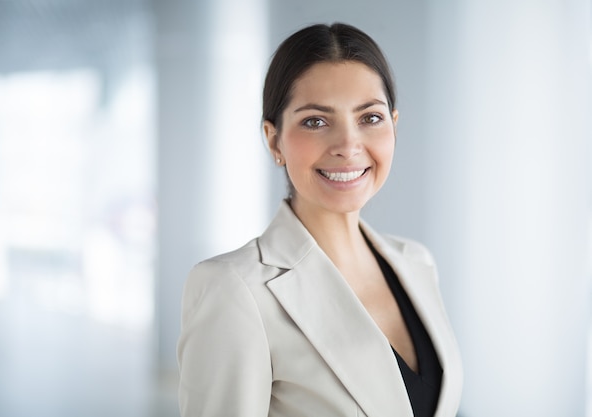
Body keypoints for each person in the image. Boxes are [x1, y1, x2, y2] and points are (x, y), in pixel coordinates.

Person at [177, 22, 463, 417]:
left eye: (370, 118)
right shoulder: (235, 290)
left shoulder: (416, 263)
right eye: (315, 121)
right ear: (274, 139)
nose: (348, 146)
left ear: (394, 125)